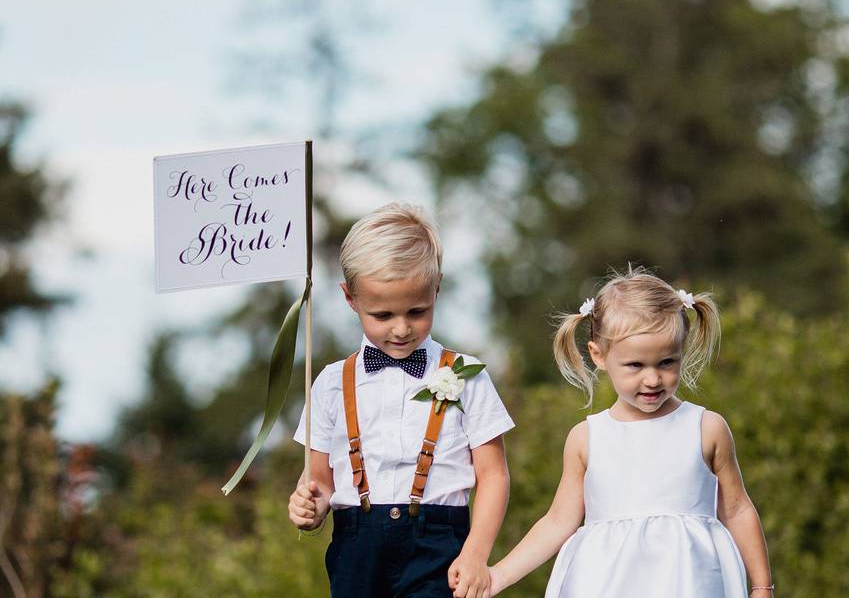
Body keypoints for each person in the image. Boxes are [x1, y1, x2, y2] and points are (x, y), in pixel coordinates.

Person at [489, 268, 774, 597]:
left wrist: (762, 585)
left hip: (688, 582)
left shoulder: (706, 428)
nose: (652, 379)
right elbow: (557, 522)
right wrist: (499, 576)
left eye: (667, 362)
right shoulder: (586, 438)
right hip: (605, 584)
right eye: (636, 366)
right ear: (599, 355)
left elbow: (737, 509)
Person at [287, 203, 514, 598]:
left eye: (417, 311)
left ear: (437, 288)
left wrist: (476, 554)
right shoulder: (329, 384)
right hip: (356, 549)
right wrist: (310, 505)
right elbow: (321, 481)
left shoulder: (466, 373)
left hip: (440, 547)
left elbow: (493, 475)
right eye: (383, 314)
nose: (401, 328)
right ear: (350, 298)